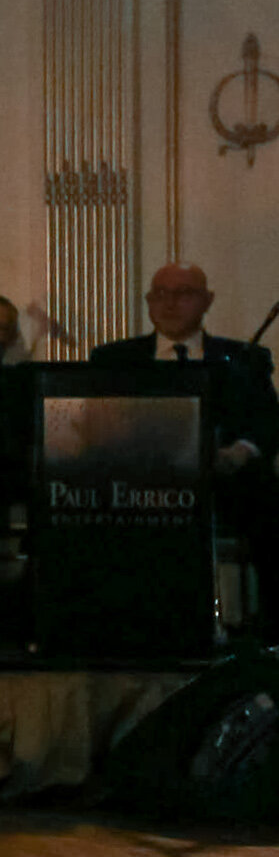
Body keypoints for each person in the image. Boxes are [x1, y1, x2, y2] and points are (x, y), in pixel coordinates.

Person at [90, 263, 279, 631]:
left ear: (207, 301)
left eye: (184, 293)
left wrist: (237, 453)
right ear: (148, 302)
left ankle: (269, 632)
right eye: (159, 294)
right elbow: (97, 424)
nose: (170, 303)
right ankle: (110, 621)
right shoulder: (114, 359)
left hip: (222, 480)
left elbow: (268, 424)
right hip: (137, 481)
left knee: (270, 503)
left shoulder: (244, 359)